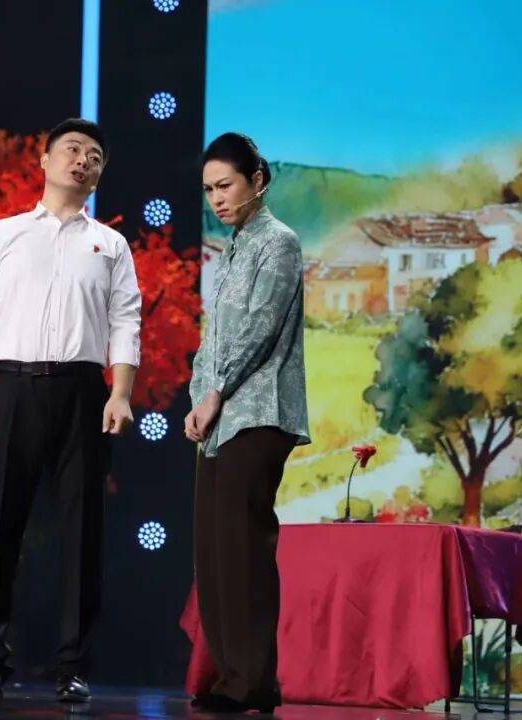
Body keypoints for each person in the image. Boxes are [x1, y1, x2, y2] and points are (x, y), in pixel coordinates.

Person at [0, 118, 142, 703]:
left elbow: (126, 321)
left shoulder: (111, 245)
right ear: (43, 160)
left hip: (83, 391)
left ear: (100, 173)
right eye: (72, 150)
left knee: (83, 531)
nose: (82, 161)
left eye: (94, 156)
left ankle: (73, 666)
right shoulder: (3, 234)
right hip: (10, 388)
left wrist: (120, 392)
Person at [184, 132, 310, 713]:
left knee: (243, 549)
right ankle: (234, 676)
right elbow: (214, 335)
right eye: (209, 189)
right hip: (218, 417)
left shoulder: (277, 242)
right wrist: (199, 398)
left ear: (256, 180)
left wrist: (215, 393)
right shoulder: (233, 248)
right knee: (213, 551)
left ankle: (252, 681)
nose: (217, 198)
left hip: (257, 413)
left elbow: (260, 329)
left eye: (225, 185)